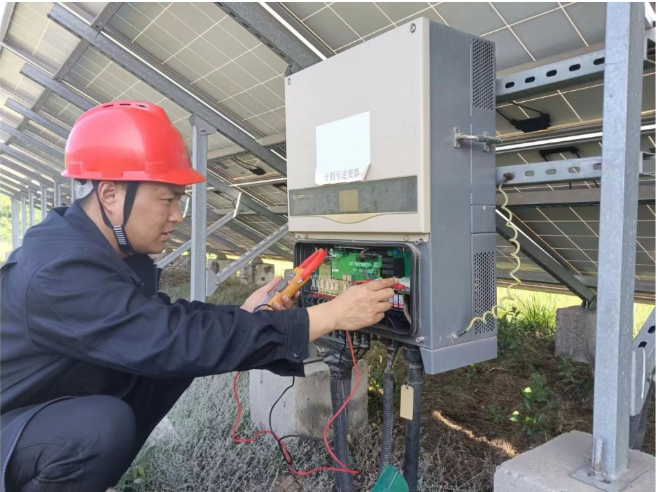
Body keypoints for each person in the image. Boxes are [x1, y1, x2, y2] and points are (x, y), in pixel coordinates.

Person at [0, 101, 397, 492]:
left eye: (180, 200)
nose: (177, 215)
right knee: (99, 428)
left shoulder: (93, 252)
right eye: (167, 199)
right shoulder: (57, 271)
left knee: (171, 363)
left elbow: (168, 325)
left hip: (33, 412)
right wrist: (324, 317)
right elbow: (168, 339)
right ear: (110, 194)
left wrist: (247, 315)